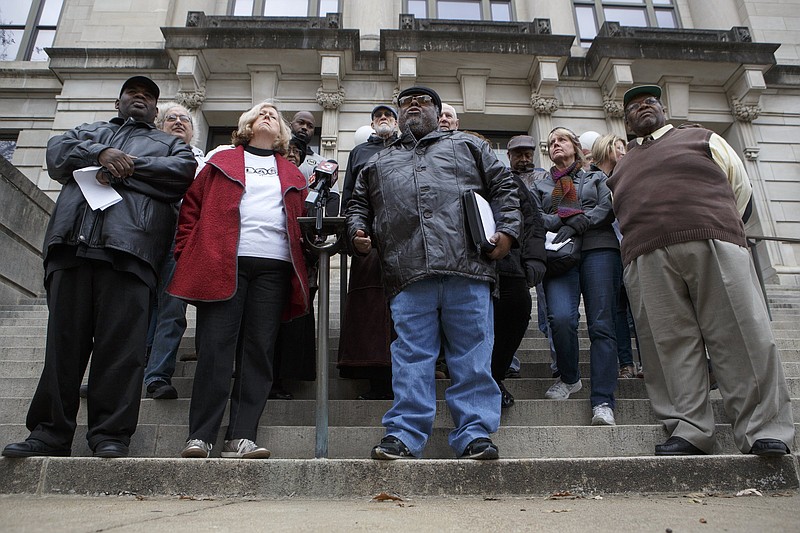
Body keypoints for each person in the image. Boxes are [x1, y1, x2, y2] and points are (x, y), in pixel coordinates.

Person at [2, 76, 196, 459]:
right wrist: (101, 155)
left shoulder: (170, 144)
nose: (139, 99)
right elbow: (58, 153)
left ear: (156, 111)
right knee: (63, 348)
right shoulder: (86, 130)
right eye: (132, 94)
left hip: (132, 251)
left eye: (148, 97)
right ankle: (49, 433)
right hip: (71, 246)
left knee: (122, 351)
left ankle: (111, 435)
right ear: (118, 101)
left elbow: (178, 175)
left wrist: (126, 166)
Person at [607, 84, 794, 456]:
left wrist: (718, 227)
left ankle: (763, 430)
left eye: (651, 102)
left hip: (713, 240)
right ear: (626, 121)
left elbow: (739, 188)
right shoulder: (622, 164)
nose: (644, 108)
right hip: (646, 257)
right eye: (634, 107)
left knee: (741, 335)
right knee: (668, 347)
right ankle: (689, 429)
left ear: (663, 110)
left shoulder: (701, 137)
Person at [346, 86, 521, 460]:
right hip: (407, 270)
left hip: (468, 266)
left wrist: (507, 231)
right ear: (397, 114)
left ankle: (474, 433)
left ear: (438, 112)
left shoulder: (469, 146)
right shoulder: (377, 162)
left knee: (473, 355)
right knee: (411, 355)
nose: (414, 104)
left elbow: (505, 187)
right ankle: (405, 435)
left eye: (423, 101)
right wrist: (356, 231)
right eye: (407, 101)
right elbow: (358, 204)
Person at [168, 101, 310, 459]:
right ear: (246, 125)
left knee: (259, 352)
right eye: (261, 112)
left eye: (275, 115)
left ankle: (242, 436)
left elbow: (302, 219)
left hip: (275, 268)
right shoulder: (220, 161)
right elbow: (191, 209)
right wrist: (188, 253)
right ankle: (200, 436)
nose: (268, 116)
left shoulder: (293, 174)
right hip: (222, 263)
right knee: (215, 350)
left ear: (281, 133)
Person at [530, 127, 621, 427]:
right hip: (559, 256)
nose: (555, 144)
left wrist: (579, 222)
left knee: (601, 325)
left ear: (576, 147)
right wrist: (564, 221)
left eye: (562, 140)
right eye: (551, 142)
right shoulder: (541, 184)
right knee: (561, 318)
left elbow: (606, 207)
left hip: (598, 250)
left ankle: (603, 401)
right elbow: (533, 214)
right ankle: (569, 378)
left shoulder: (596, 177)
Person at [142, 103, 206, 400]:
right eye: (171, 118)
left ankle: (156, 375)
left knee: (170, 309)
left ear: (193, 131)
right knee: (132, 309)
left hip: (181, 240)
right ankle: (119, 374)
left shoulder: (203, 163)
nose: (179, 122)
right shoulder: (144, 150)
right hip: (141, 235)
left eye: (185, 119)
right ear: (159, 125)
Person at [338, 104, 400, 400]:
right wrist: (354, 233)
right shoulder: (359, 153)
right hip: (370, 239)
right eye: (378, 117)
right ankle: (375, 379)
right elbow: (350, 197)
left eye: (388, 115)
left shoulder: (407, 146)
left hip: (404, 238)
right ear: (373, 125)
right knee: (369, 311)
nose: (383, 119)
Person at [490, 134, 547, 408]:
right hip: (464, 267)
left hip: (509, 265)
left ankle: (494, 377)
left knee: (518, 310)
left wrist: (535, 259)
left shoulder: (506, 180)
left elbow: (532, 219)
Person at [507, 135, 559, 379]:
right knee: (510, 308)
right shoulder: (503, 177)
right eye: (519, 154)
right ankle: (509, 362)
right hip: (512, 249)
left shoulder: (548, 178)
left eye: (528, 153)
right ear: (509, 157)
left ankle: (559, 363)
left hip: (546, 247)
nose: (524, 158)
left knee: (549, 310)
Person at [590, 134, 640, 380]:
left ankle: (648, 363)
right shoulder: (592, 180)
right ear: (606, 149)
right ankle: (626, 363)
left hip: (632, 247)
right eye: (619, 148)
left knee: (639, 309)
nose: (623, 153)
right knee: (618, 310)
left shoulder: (630, 177)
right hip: (606, 251)